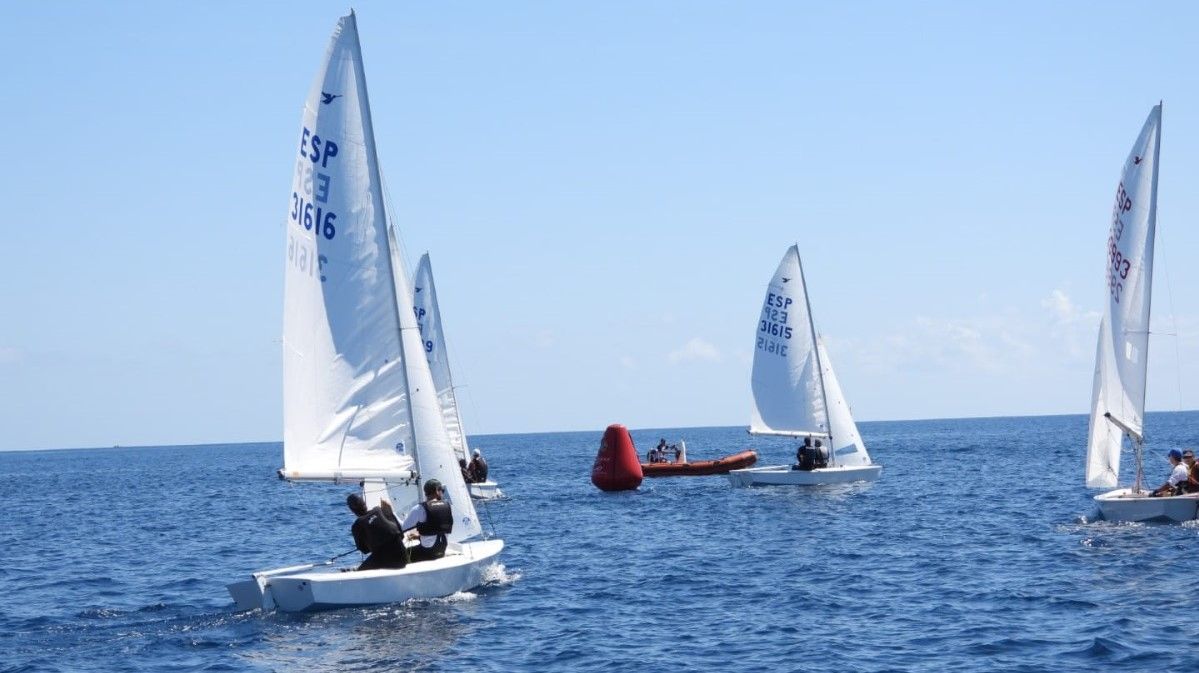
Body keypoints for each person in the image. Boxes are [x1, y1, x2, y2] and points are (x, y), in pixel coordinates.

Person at [346, 493, 407, 570]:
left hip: (387, 561)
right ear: (365, 503)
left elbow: (364, 550)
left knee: (360, 571)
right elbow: (400, 533)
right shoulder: (378, 510)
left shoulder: (357, 525)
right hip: (403, 557)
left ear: (352, 510)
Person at [401, 479, 453, 563]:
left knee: (399, 554)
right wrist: (418, 536)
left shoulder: (419, 508)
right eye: (442, 490)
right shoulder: (447, 506)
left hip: (427, 553)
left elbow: (402, 529)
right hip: (442, 549)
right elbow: (437, 529)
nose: (442, 493)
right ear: (437, 490)